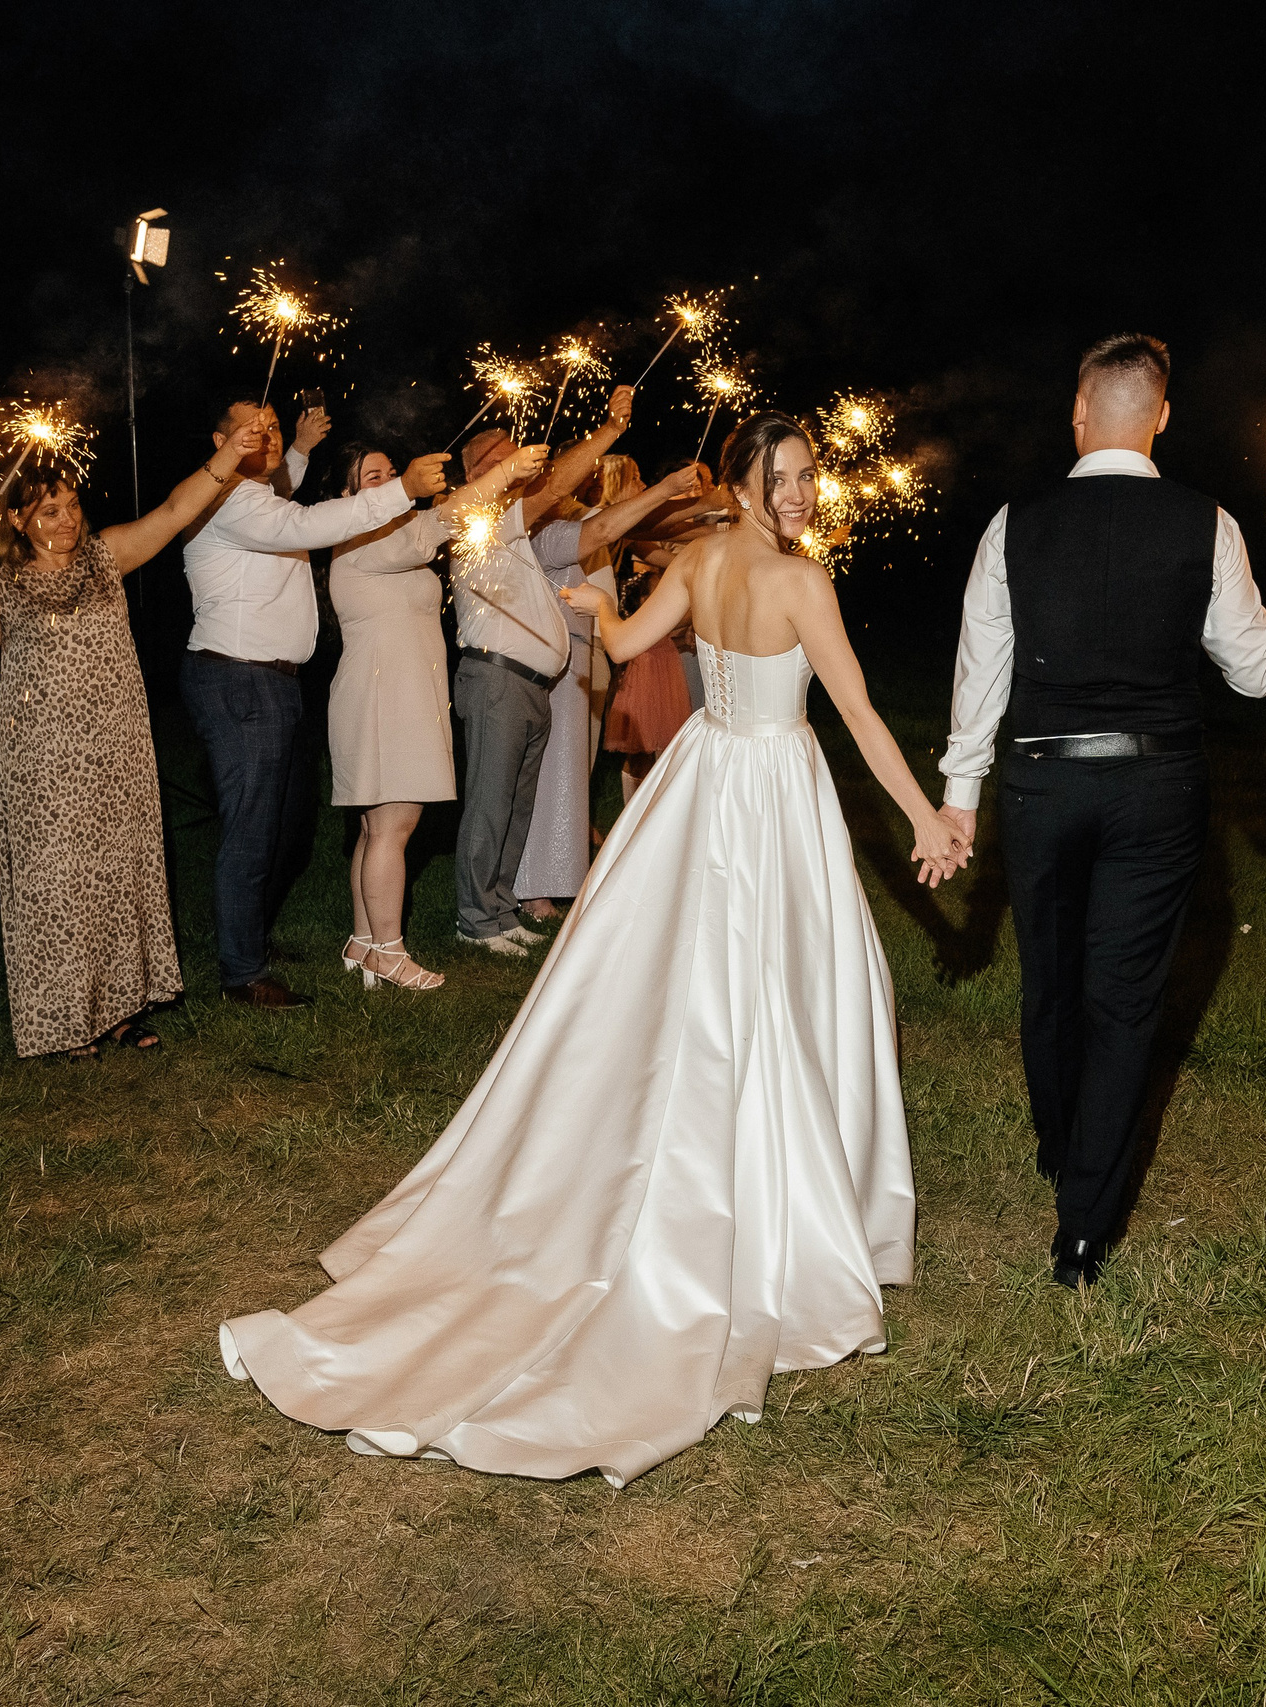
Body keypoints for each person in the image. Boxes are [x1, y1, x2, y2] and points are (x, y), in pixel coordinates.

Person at [218, 411, 966, 1485]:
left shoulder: (702, 560)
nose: (801, 493)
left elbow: (614, 649)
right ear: (748, 485)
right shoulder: (803, 585)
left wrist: (592, 600)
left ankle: (712, 1161)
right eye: (783, 476)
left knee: (701, 984)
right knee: (777, 985)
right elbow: (854, 714)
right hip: (765, 787)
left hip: (703, 782)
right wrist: (924, 815)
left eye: (809, 475)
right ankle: (773, 1204)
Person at [938, 334, 1266, 1286]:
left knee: (1051, 980)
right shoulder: (1207, 523)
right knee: (1123, 1000)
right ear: (1161, 416)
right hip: (1157, 791)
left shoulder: (1012, 522)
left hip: (1041, 782)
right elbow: (1251, 669)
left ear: (1079, 414)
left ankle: (1058, 1144)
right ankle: (1084, 1228)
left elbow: (978, 675)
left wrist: (960, 798)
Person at [0, 417, 270, 1058]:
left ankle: (120, 1010)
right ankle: (68, 1023)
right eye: (49, 510)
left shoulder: (108, 557)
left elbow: (177, 507)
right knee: (58, 888)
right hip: (40, 763)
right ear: (18, 519)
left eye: (72, 506)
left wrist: (231, 456)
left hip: (118, 751)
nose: (67, 520)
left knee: (119, 880)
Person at [180, 402, 454, 1009]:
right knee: (252, 830)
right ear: (219, 440)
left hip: (271, 681)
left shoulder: (263, 494)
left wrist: (297, 447)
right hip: (238, 677)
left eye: (272, 427)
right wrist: (403, 487)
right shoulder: (230, 500)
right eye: (253, 430)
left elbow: (287, 491)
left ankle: (250, 942)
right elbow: (304, 526)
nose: (267, 437)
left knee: (281, 826)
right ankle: (242, 974)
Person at [324, 440, 546, 992]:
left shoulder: (387, 539)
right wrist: (507, 473)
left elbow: (435, 528)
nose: (391, 481)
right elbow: (438, 524)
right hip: (384, 697)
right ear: (347, 495)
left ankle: (362, 941)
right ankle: (390, 953)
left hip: (396, 692)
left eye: (392, 471)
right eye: (373, 477)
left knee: (375, 828)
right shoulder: (357, 540)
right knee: (393, 828)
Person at [448, 384, 636, 956]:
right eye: (493, 458)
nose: (508, 460)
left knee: (516, 802)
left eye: (512, 450)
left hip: (534, 684)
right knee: (489, 801)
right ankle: (475, 918)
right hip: (496, 678)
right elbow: (554, 485)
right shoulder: (477, 518)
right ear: (472, 474)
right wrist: (608, 430)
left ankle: (501, 909)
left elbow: (573, 506)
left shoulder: (524, 533)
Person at [515, 456, 711, 917]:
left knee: (577, 766)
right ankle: (539, 882)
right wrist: (686, 496)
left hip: (599, 647)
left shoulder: (607, 526)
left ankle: (563, 866)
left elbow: (671, 532)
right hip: (579, 649)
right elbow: (648, 526)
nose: (643, 485)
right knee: (566, 765)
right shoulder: (584, 523)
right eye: (638, 479)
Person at [603, 541, 698, 802]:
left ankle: (657, 806)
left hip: (667, 672)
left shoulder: (673, 600)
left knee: (667, 748)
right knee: (640, 748)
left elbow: (673, 631)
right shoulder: (642, 605)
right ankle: (632, 807)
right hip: (646, 676)